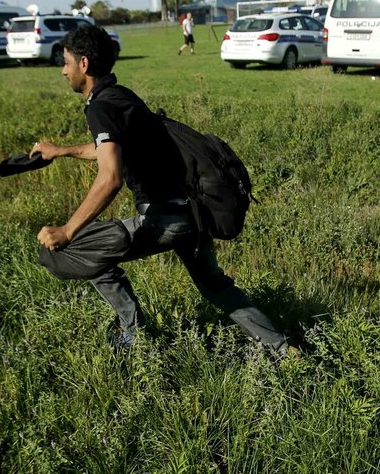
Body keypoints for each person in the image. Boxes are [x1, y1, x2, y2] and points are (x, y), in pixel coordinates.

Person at [30, 25, 288, 353]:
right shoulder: (120, 96)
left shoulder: (101, 107)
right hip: (193, 211)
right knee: (215, 286)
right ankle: (283, 348)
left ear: (83, 64)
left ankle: (135, 334)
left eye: (66, 62)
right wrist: (61, 151)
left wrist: (67, 229)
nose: (63, 70)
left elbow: (110, 178)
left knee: (77, 250)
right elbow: (111, 150)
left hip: (165, 219)